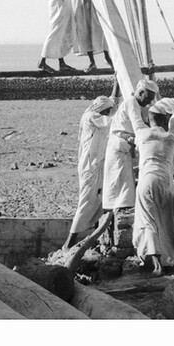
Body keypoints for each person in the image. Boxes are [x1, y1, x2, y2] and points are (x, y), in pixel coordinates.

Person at [132, 99, 174, 276]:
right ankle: (170, 260)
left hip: (147, 180)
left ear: (149, 119)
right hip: (166, 181)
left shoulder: (142, 135)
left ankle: (155, 263)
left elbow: (135, 149)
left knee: (148, 220)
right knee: (167, 221)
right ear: (165, 120)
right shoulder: (173, 139)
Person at [63, 96, 116, 249]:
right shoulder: (91, 116)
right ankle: (69, 243)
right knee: (86, 202)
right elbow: (111, 121)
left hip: (96, 164)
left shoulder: (95, 113)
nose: (107, 114)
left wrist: (116, 83)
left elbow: (111, 100)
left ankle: (94, 239)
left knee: (99, 200)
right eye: (106, 111)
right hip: (90, 166)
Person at [102, 78, 159, 212]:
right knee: (121, 185)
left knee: (122, 184)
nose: (150, 102)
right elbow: (138, 126)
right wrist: (156, 135)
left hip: (122, 147)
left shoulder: (135, 104)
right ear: (140, 92)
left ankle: (118, 210)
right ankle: (119, 211)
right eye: (148, 97)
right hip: (119, 146)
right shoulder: (131, 102)